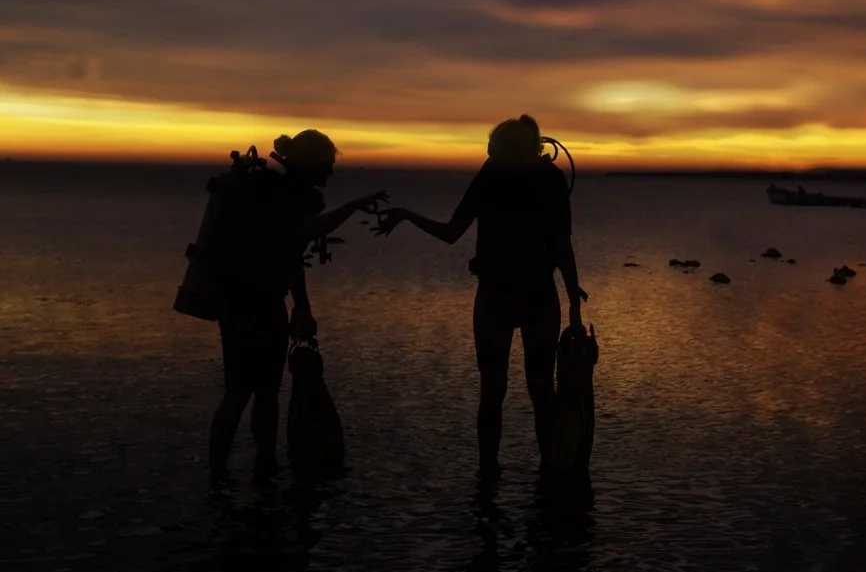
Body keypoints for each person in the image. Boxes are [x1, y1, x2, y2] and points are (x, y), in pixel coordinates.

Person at [376, 115, 585, 480]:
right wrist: (573, 304)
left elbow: (451, 232)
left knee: (493, 390)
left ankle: (488, 474)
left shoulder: (490, 176)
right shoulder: (548, 178)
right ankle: (551, 471)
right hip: (537, 297)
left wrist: (408, 215)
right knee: (540, 390)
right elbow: (562, 246)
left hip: (495, 298)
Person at [208, 129, 387, 480]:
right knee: (249, 391)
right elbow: (301, 235)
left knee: (258, 391)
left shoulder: (275, 193)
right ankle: (249, 469)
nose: (331, 173)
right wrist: (352, 207)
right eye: (327, 165)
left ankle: (244, 471)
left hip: (245, 301)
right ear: (311, 165)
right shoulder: (292, 198)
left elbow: (290, 257)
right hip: (253, 304)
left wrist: (301, 307)